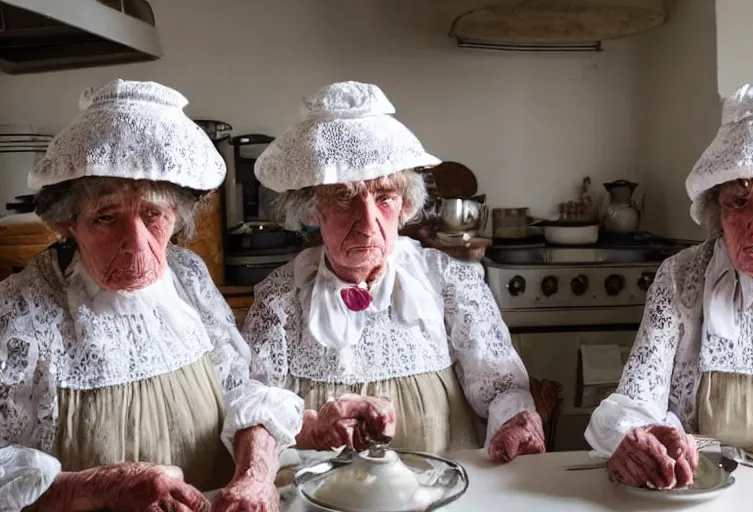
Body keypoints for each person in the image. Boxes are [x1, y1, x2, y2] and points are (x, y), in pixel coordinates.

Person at [0, 79, 303, 511]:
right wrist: (100, 487)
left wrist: (254, 477)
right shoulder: (22, 310)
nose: (138, 245)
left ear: (177, 216)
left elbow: (244, 392)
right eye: (106, 218)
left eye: (153, 215)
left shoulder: (189, 277)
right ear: (67, 222)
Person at [243, 80, 545, 462]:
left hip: (437, 494)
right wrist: (307, 427)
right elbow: (254, 408)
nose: (368, 224)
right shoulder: (281, 297)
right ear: (312, 209)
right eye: (345, 199)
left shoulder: (448, 281)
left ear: (405, 206)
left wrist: (516, 422)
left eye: (385, 198)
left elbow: (501, 387)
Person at [586, 82, 753, 489]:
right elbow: (635, 402)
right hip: (696, 497)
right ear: (715, 207)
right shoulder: (682, 276)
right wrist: (639, 438)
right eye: (739, 202)